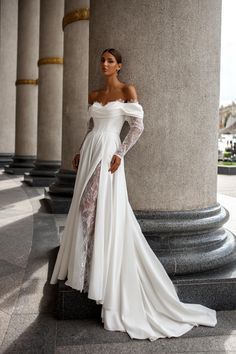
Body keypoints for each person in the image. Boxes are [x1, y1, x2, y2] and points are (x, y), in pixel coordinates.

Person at [50, 48, 217, 341]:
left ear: (119, 66)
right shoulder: (93, 95)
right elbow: (92, 126)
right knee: (85, 209)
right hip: (91, 151)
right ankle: (86, 271)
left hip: (108, 154)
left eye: (110, 61)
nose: (104, 64)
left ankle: (99, 273)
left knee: (93, 207)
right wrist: (79, 150)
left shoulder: (127, 90)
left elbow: (137, 126)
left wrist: (120, 153)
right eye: (102, 60)